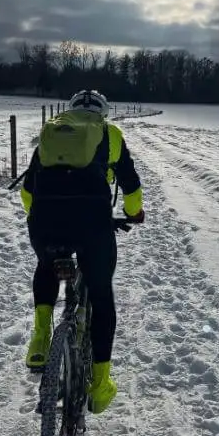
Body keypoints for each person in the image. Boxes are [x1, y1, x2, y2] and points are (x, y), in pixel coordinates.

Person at [18, 89, 144, 414]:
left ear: (71, 111)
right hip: (93, 223)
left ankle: (40, 341)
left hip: (45, 221)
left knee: (46, 266)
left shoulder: (52, 132)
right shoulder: (110, 134)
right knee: (101, 295)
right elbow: (130, 184)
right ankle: (100, 385)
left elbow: (28, 189)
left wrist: (39, 217)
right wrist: (134, 213)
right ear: (103, 113)